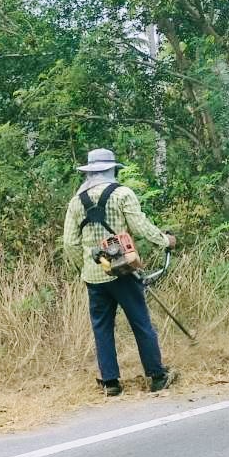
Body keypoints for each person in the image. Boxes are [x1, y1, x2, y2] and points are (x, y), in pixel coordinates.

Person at [62, 148, 178, 396]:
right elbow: (140, 226)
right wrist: (165, 241)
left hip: (94, 277)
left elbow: (70, 244)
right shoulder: (122, 194)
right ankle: (157, 376)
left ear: (90, 171)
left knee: (102, 328)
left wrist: (83, 268)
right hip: (123, 271)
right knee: (140, 322)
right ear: (112, 169)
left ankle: (111, 383)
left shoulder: (76, 202)